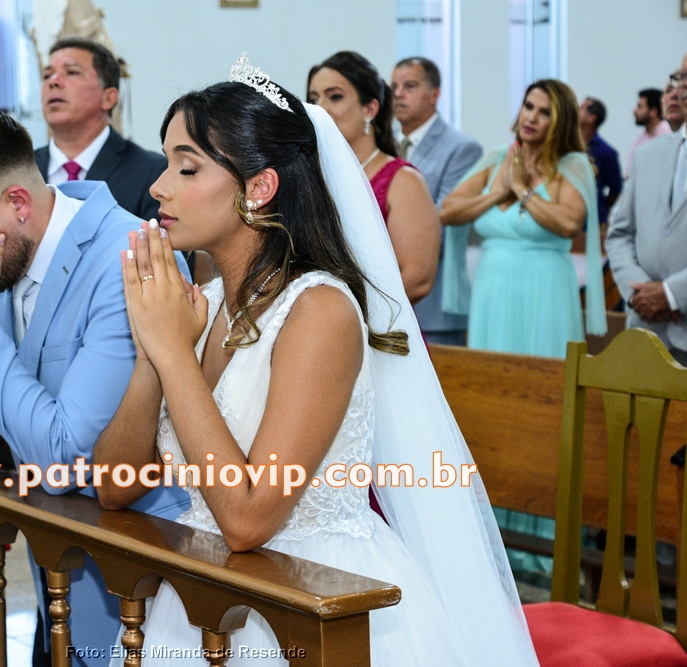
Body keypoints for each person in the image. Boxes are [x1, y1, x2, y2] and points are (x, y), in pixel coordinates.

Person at [94, 54, 540, 667]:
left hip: (314, 599)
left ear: (259, 188)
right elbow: (114, 487)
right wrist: (154, 350)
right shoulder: (203, 305)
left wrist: (173, 355)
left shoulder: (319, 310)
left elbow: (248, 518)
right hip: (206, 592)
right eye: (167, 162)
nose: (158, 186)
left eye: (186, 167)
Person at [0, 101, 190, 667]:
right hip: (58, 576)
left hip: (141, 585)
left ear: (18, 203)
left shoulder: (127, 258)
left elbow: (69, 461)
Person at [441, 79, 607, 359]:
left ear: (561, 122)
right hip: (492, 286)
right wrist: (497, 194)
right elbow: (448, 212)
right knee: (489, 372)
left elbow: (569, 224)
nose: (531, 117)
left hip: (545, 287)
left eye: (545, 113)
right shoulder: (498, 158)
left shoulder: (571, 165)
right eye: (528, 106)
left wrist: (522, 190)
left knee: (543, 372)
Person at [307, 51, 439, 304]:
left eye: (335, 97)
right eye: (314, 98)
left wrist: (349, 315)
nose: (320, 108)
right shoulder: (313, 176)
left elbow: (417, 279)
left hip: (376, 321)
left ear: (370, 109)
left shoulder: (403, 180)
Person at [391, 57, 483, 344]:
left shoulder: (461, 149)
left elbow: (440, 222)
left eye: (410, 86)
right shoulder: (383, 144)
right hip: (381, 294)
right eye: (394, 87)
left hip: (434, 304)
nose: (398, 94)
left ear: (435, 94)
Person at [606, 66, 687, 366]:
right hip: (646, 331)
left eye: (684, 79)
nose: (676, 90)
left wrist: (672, 294)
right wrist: (640, 291)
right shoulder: (647, 155)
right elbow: (620, 234)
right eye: (677, 79)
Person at [35, 37, 164, 221]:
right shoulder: (17, 170)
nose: (53, 82)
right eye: (47, 75)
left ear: (108, 98)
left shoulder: (152, 173)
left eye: (72, 72)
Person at [579, 97, 622, 227]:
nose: (576, 111)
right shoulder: (566, 145)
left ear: (591, 118)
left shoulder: (606, 152)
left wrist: (603, 208)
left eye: (581, 108)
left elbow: (615, 189)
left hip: (593, 219)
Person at [626, 88, 670, 178]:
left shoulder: (669, 134)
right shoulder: (639, 141)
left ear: (653, 112)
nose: (634, 110)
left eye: (640, 107)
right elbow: (629, 174)